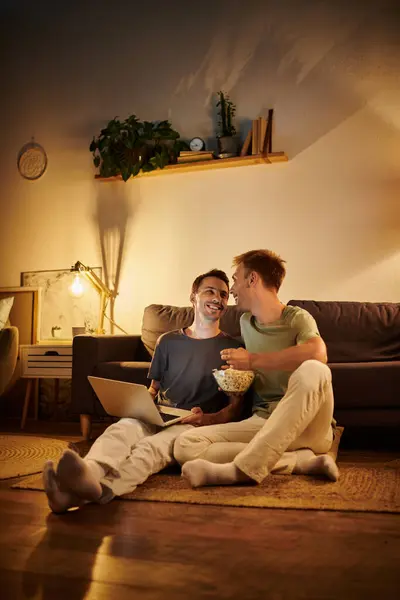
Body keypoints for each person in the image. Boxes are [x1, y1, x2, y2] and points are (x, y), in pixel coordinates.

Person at [43, 269, 244, 513]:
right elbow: (153, 389)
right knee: (120, 430)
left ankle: (91, 492)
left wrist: (207, 419)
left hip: (192, 423)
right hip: (156, 413)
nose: (218, 298)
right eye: (210, 291)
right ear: (193, 296)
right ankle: (90, 472)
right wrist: (135, 405)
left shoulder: (233, 348)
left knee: (149, 450)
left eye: (223, 295)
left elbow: (237, 407)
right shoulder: (167, 342)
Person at [174, 249, 340, 487]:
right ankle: (300, 462)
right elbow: (255, 370)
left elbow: (318, 352)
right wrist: (237, 381)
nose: (231, 290)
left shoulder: (297, 318)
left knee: (315, 368)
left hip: (309, 424)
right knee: (185, 445)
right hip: (264, 421)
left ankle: (241, 471)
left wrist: (252, 360)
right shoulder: (245, 322)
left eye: (235, 279)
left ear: (252, 279)